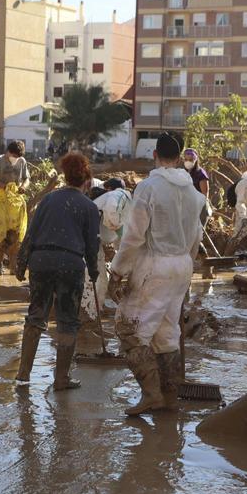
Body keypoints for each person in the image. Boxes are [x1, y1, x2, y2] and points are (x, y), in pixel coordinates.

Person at [108, 133, 205, 415]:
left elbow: (134, 237)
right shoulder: (194, 194)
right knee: (166, 333)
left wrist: (117, 272)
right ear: (178, 158)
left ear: (155, 155)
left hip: (156, 264)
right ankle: (170, 395)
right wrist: (185, 264)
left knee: (129, 330)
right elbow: (196, 238)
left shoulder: (149, 188)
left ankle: (152, 395)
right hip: (182, 265)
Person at [14, 152, 101, 391]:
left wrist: (21, 264)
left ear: (64, 175)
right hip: (70, 264)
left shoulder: (49, 200)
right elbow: (92, 245)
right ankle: (61, 378)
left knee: (36, 315)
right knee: (67, 322)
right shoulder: (89, 207)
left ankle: (23, 373)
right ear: (86, 180)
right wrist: (94, 271)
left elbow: (31, 233)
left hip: (41, 260)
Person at [0, 140, 29, 277]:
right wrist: (4, 186)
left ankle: (13, 268)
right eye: (13, 155)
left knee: (16, 236)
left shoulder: (22, 161)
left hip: (16, 203)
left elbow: (27, 179)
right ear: (8, 152)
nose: (15, 158)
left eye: (17, 156)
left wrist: (23, 187)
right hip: (2, 202)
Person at [91, 177, 131, 310]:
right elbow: (112, 215)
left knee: (99, 276)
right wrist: (120, 231)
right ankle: (92, 312)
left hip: (92, 239)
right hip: (89, 238)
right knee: (98, 278)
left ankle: (96, 309)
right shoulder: (120, 194)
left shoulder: (107, 197)